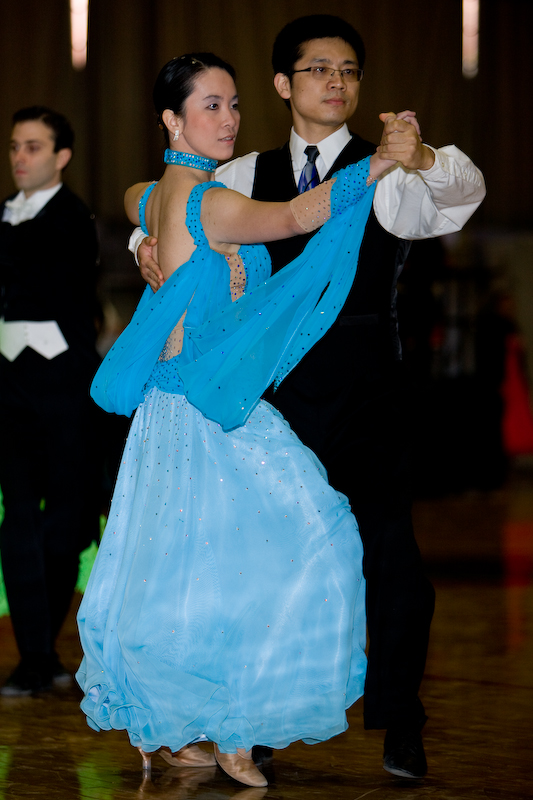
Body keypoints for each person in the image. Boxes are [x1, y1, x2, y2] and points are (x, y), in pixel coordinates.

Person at [133, 16, 486, 779]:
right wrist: (144, 244)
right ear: (281, 84)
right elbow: (160, 195)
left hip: (366, 388)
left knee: (389, 553)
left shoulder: (387, 168)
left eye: (349, 70)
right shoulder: (243, 171)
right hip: (270, 394)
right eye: (320, 67)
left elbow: (462, 192)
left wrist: (421, 155)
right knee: (268, 558)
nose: (336, 81)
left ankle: (399, 718)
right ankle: (255, 719)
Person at [76, 52, 418, 789]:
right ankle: (233, 730)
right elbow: (297, 215)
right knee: (291, 548)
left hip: (173, 411)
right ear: (172, 120)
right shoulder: (210, 203)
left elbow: (135, 193)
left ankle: (177, 727)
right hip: (205, 416)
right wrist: (379, 165)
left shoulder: (166, 193)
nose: (229, 119)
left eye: (233, 104)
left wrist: (147, 238)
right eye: (210, 106)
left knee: (194, 570)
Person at [0, 106, 101, 695]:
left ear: (61, 156)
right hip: (8, 386)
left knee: (65, 521)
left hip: (64, 385)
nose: (20, 157)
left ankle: (45, 651)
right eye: (15, 146)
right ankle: (34, 656)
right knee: (16, 516)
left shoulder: (73, 217)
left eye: (33, 146)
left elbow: (47, 277)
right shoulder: (4, 214)